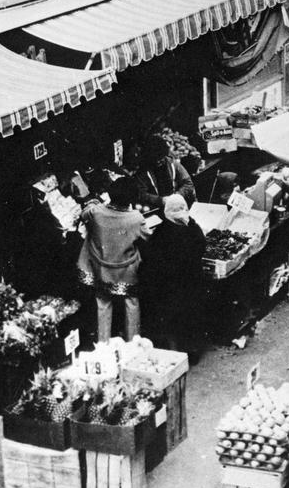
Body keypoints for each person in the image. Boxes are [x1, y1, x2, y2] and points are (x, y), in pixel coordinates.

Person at [77, 177, 151, 342]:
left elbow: (84, 214)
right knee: (131, 303)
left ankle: (103, 343)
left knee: (103, 303)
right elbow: (147, 237)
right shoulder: (136, 218)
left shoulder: (96, 212)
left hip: (101, 268)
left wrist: (93, 203)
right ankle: (133, 343)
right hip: (126, 270)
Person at [139, 194, 207, 360]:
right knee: (191, 315)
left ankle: (172, 352)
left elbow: (151, 257)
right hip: (192, 280)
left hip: (170, 285)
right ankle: (192, 351)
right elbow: (202, 246)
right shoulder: (192, 227)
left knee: (174, 317)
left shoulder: (162, 231)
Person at [135, 135, 196, 212]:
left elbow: (188, 183)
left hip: (176, 206)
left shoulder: (173, 164)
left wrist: (176, 196)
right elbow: (141, 194)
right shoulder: (143, 172)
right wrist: (160, 200)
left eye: (161, 159)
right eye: (155, 160)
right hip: (156, 209)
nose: (158, 162)